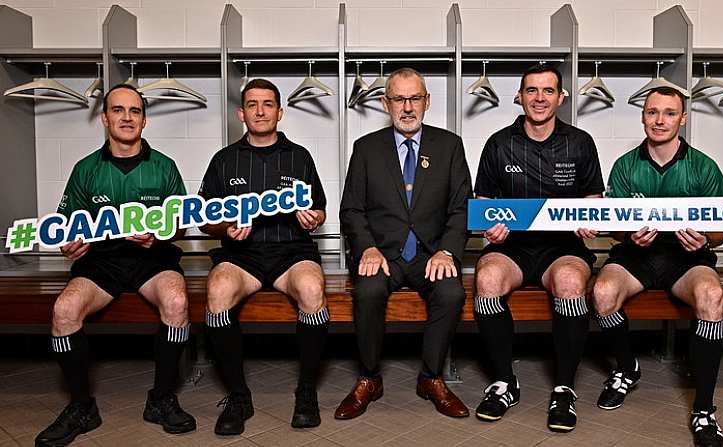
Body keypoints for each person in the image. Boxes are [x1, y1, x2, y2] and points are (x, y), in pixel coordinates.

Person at [35, 84, 195, 447]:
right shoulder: (86, 169)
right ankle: (81, 407)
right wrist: (68, 242)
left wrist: (161, 235)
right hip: (101, 263)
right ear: (105, 118)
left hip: (152, 260)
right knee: (64, 310)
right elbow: (66, 225)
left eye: (135, 111)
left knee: (177, 303)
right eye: (119, 110)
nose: (127, 117)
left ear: (144, 119)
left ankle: (162, 399)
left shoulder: (164, 167)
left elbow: (181, 223)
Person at [592, 86, 723, 447]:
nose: (659, 120)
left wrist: (705, 240)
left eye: (669, 113)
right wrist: (628, 236)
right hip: (637, 257)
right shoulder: (625, 165)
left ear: (682, 118)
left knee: (712, 296)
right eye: (652, 112)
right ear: (642, 117)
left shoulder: (703, 166)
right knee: (603, 291)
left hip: (686, 258)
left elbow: (722, 230)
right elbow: (615, 227)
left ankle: (704, 409)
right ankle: (626, 368)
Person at [472, 65, 604, 432]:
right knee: (487, 280)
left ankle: (564, 388)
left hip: (562, 247)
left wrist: (588, 217)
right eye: (531, 90)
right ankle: (503, 382)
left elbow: (593, 198)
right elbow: (483, 203)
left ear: (561, 98)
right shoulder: (499, 143)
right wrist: (489, 227)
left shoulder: (579, 142)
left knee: (570, 284)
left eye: (548, 91)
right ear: (519, 96)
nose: (539, 98)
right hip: (512, 245)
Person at [335, 67, 472, 420]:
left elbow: (462, 208)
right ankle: (369, 378)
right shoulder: (366, 149)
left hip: (431, 255)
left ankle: (431, 377)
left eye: (414, 98)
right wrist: (366, 247)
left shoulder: (449, 146)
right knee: (366, 292)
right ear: (385, 103)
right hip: (382, 255)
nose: (407, 107)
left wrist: (447, 250)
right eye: (399, 99)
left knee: (451, 293)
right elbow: (351, 208)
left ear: (427, 102)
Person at [199, 79, 329, 434]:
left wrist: (314, 218)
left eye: (267, 104)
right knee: (218, 292)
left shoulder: (299, 156)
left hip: (292, 251)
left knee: (313, 291)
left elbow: (319, 209)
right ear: (241, 113)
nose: (260, 111)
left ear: (279, 112)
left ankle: (306, 392)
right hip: (243, 254)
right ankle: (239, 396)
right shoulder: (224, 160)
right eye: (252, 105)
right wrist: (225, 227)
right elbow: (204, 221)